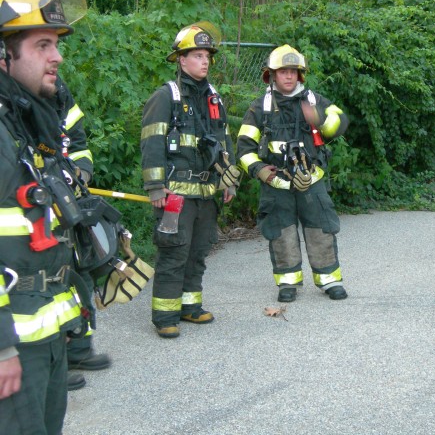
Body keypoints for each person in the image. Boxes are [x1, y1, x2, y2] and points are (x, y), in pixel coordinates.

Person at [0, 0, 89, 433]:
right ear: (2, 53)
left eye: (56, 43)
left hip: (45, 334)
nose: (57, 57)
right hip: (13, 345)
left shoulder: (27, 122)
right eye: (42, 45)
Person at [140, 21, 239, 339]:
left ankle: (190, 306)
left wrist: (229, 180)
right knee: (174, 251)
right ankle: (165, 315)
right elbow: (152, 142)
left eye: (207, 55)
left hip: (207, 192)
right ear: (181, 59)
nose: (205, 61)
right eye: (197, 55)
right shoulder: (165, 96)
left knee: (198, 250)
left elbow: (224, 141)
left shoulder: (214, 99)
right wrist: (155, 186)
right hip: (175, 194)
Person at [236, 44, 349, 303]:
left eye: (294, 71)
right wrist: (261, 171)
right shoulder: (259, 108)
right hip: (277, 185)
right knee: (281, 231)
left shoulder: (314, 100)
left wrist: (319, 119)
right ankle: (288, 282)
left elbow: (340, 123)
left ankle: (329, 280)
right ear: (271, 75)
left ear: (300, 75)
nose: (288, 76)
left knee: (320, 229)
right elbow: (244, 148)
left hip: (312, 180)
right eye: (283, 71)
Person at [51, 76, 112, 390]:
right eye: (42, 45)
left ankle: (78, 348)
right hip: (33, 211)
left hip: (67, 204)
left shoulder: (58, 89)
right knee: (44, 284)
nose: (55, 57)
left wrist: (81, 173)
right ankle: (48, 364)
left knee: (79, 274)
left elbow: (77, 144)